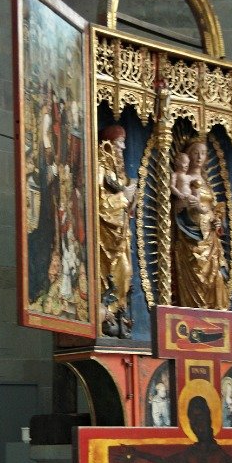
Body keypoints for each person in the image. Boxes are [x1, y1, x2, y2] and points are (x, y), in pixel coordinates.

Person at [173, 137, 230, 310]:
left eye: (203, 153)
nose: (199, 157)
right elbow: (176, 207)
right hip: (191, 235)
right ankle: (196, 312)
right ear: (188, 155)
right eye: (195, 153)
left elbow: (213, 208)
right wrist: (187, 204)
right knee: (197, 273)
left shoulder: (205, 182)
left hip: (210, 237)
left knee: (217, 276)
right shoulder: (183, 179)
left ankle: (217, 313)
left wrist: (218, 220)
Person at [97, 124, 137, 337]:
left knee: (126, 272)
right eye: (119, 143)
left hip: (122, 235)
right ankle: (107, 315)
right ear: (109, 144)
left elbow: (127, 208)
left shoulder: (119, 175)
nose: (123, 148)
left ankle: (119, 314)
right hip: (105, 235)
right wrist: (123, 198)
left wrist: (131, 199)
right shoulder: (101, 168)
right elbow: (99, 203)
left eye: (123, 143)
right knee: (111, 274)